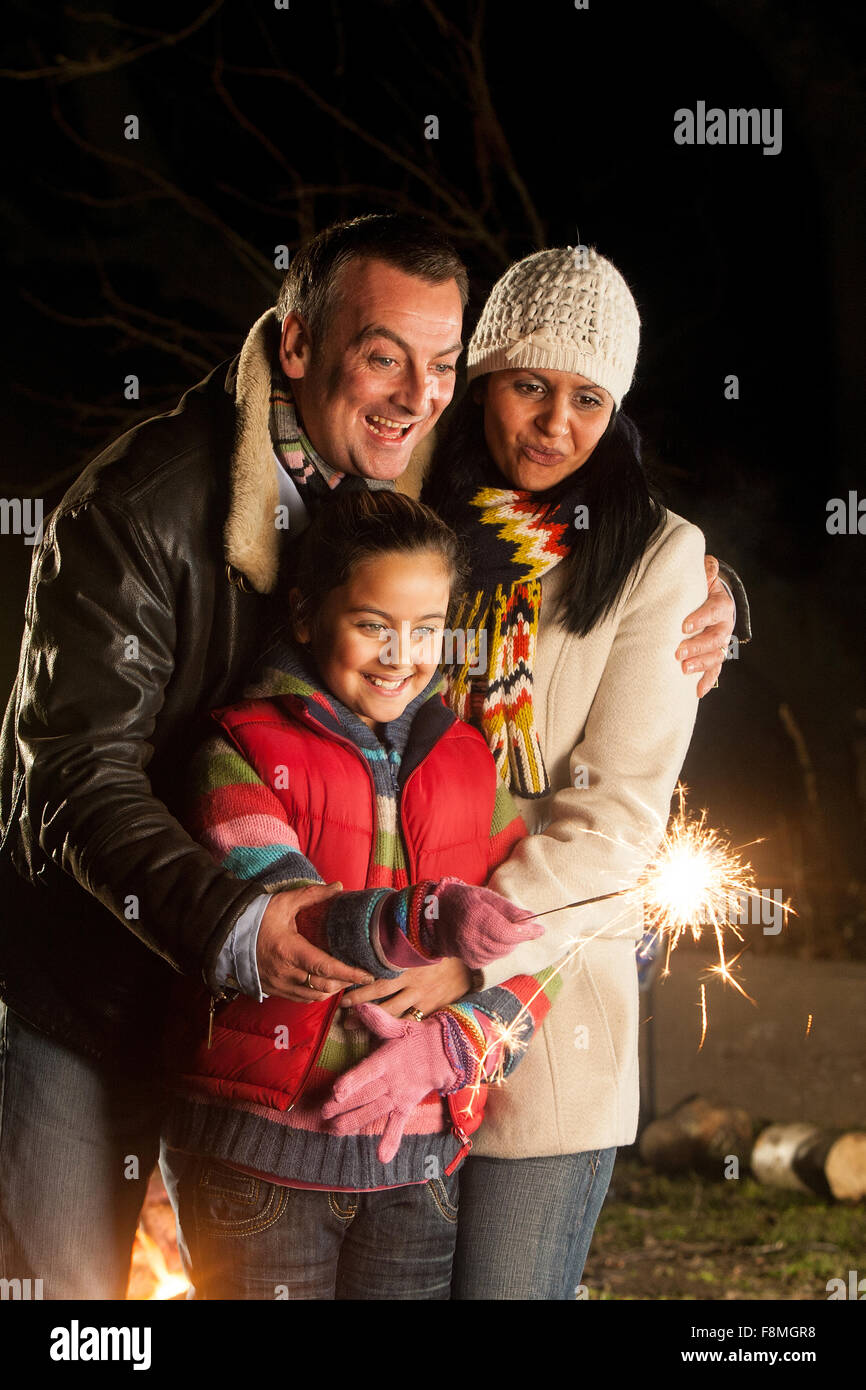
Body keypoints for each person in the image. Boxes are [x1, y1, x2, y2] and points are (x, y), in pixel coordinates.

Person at [0, 214, 738, 1299]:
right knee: (66, 1302)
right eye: (383, 354)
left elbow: (605, 578)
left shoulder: (425, 483)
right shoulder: (142, 506)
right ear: (297, 344)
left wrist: (720, 601)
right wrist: (239, 922)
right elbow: (71, 770)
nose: (414, 393)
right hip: (113, 972)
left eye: (440, 365)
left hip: (343, 996)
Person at [324, 245, 743, 1299]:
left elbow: (611, 820)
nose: (555, 424)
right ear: (479, 384)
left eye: (588, 399)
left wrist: (462, 957)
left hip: (540, 1003)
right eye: (528, 386)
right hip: (380, 979)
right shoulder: (403, 517)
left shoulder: (654, 561)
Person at [162, 488, 573, 1299]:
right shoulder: (237, 747)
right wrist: (424, 917)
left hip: (422, 1172)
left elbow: (543, 953)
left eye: (425, 629)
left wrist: (466, 1039)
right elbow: (288, 920)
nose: (402, 655)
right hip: (260, 1165)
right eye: (374, 625)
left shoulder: (469, 761)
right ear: (309, 614)